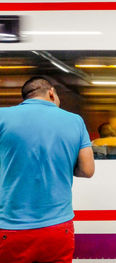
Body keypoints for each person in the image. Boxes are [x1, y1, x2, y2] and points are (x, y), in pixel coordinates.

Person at [0, 76, 95, 263]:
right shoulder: (75, 121)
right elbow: (87, 170)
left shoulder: (2, 116)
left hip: (10, 227)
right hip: (58, 228)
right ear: (51, 93)